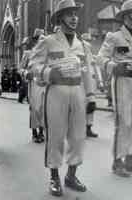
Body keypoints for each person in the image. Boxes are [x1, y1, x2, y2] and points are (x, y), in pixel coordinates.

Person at [28, 0, 95, 196]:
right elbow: (33, 65)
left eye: (75, 14)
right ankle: (54, 177)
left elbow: (87, 71)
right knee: (55, 136)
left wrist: (90, 96)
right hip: (56, 92)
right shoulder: (48, 41)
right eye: (69, 14)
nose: (74, 17)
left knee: (78, 137)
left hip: (77, 92)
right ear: (60, 17)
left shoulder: (82, 44)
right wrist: (49, 73)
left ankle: (71, 175)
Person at [96, 0, 132, 177]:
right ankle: (117, 161)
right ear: (126, 16)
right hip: (122, 80)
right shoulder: (114, 37)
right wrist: (114, 66)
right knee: (123, 122)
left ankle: (129, 159)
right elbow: (100, 58)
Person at [81, 33, 102, 138]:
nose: (89, 43)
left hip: (92, 85)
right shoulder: (80, 57)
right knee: (82, 107)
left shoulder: (92, 57)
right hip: (82, 85)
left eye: (90, 41)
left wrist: (100, 82)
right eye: (87, 41)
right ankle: (80, 128)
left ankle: (88, 128)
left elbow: (96, 69)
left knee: (91, 106)